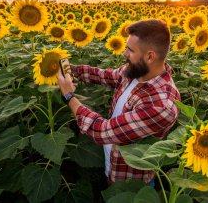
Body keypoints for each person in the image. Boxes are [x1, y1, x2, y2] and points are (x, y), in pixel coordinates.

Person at [58, 19, 180, 184]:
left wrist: (68, 96)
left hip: (128, 182)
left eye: (130, 50)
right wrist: (70, 69)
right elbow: (106, 76)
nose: (125, 54)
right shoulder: (136, 70)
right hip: (111, 163)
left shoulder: (161, 105)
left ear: (150, 56)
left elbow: (102, 131)